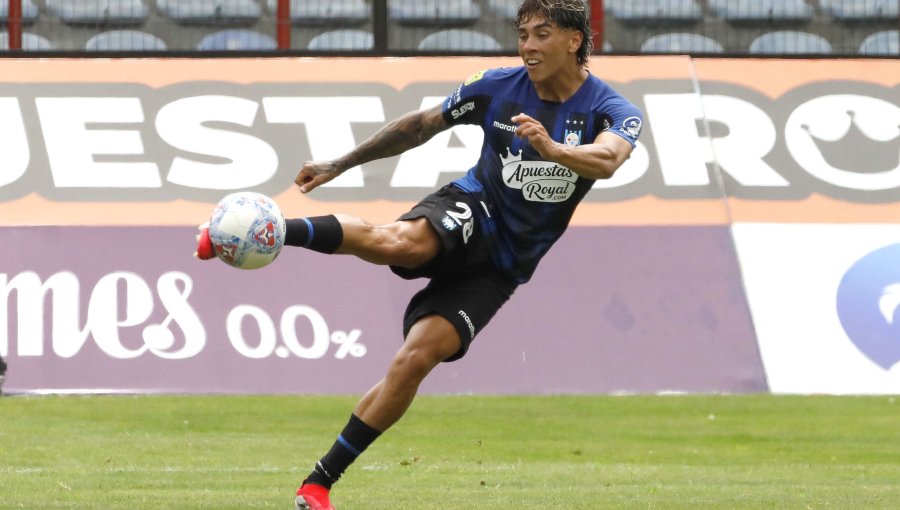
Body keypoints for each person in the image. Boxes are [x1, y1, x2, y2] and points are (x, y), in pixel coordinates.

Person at [196, 1, 642, 508]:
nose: (528, 46)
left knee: (415, 359)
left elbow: (608, 159)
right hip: (475, 208)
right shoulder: (496, 86)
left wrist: (554, 150)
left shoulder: (613, 109)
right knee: (399, 243)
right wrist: (340, 164)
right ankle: (263, 231)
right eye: (523, 34)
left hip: (505, 267)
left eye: (542, 34)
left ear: (574, 41)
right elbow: (421, 125)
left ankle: (317, 484)